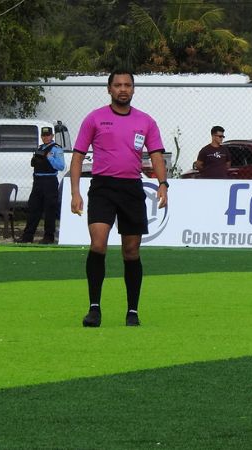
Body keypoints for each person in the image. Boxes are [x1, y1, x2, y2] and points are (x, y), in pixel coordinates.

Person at [70, 70, 168, 328]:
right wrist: (75, 192)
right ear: (109, 89)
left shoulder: (146, 121)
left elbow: (156, 155)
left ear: (133, 89)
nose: (123, 89)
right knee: (98, 243)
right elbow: (78, 156)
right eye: (117, 85)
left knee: (131, 250)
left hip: (131, 190)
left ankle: (132, 311)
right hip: (102, 187)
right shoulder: (95, 118)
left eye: (127, 85)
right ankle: (94, 309)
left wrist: (163, 184)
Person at [17, 126, 65, 244]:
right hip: (38, 182)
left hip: (49, 182)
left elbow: (61, 166)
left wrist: (50, 158)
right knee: (33, 209)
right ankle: (27, 236)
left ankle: (48, 237)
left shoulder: (57, 149)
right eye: (43, 135)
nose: (45, 137)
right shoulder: (39, 148)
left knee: (49, 210)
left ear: (52, 136)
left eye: (48, 135)